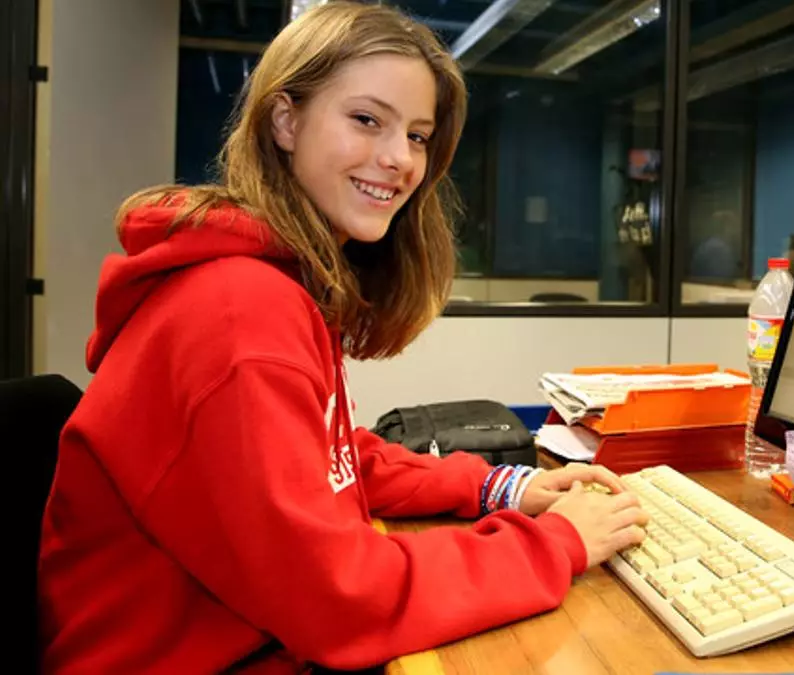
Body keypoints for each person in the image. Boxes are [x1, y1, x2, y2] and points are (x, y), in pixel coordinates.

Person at [38, 4, 648, 673]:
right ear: (285, 121)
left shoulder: (274, 282)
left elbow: (331, 459)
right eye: (366, 119)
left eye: (417, 135)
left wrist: (500, 487)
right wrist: (555, 543)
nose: (399, 159)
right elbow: (338, 599)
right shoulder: (238, 311)